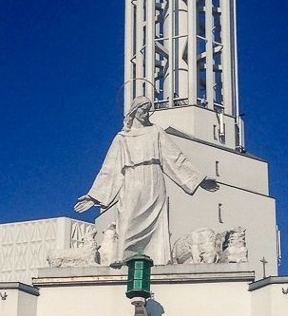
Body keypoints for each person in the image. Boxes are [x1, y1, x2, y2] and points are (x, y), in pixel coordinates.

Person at [74, 96, 216, 266]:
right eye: (143, 108)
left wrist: (198, 179)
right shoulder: (122, 138)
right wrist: (94, 196)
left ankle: (158, 259)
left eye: (148, 109)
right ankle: (122, 256)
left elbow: (175, 158)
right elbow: (109, 170)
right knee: (126, 218)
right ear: (134, 110)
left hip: (154, 180)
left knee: (156, 224)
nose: (146, 113)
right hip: (132, 178)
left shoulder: (156, 132)